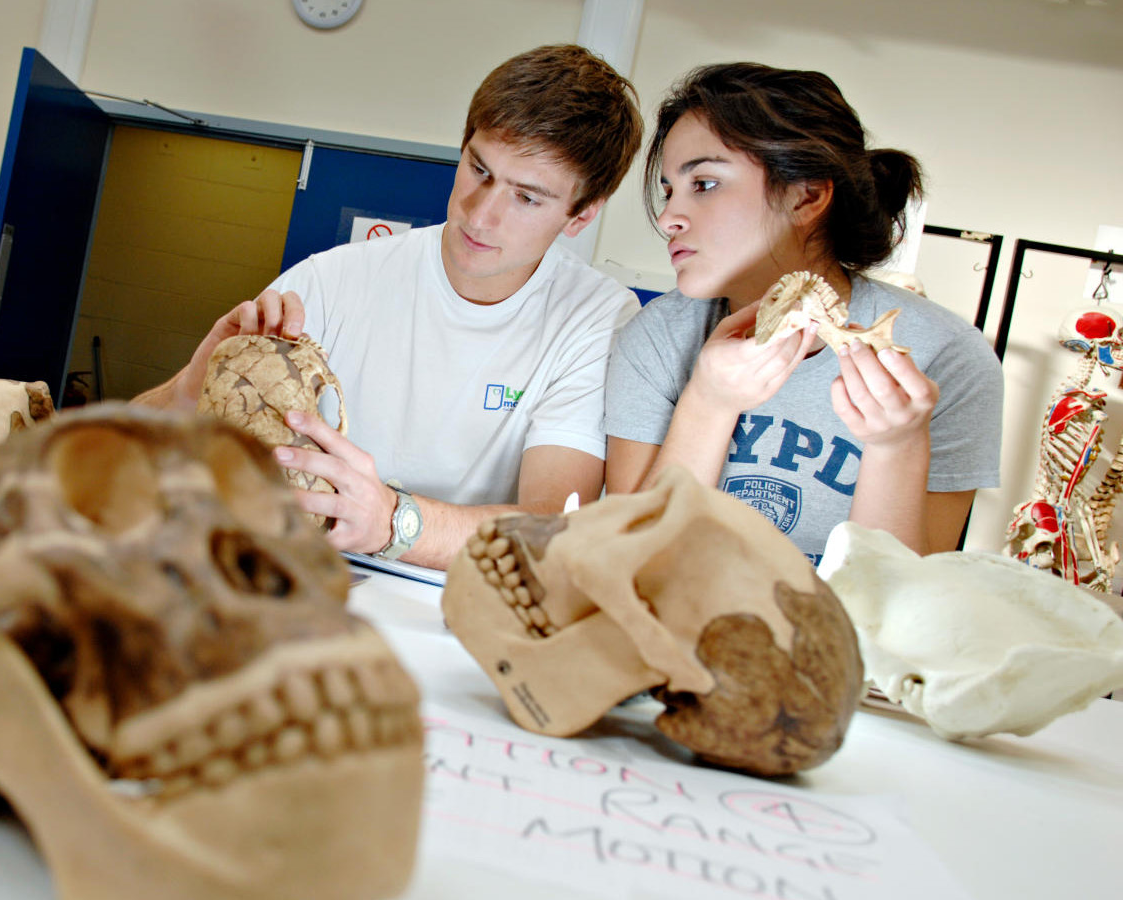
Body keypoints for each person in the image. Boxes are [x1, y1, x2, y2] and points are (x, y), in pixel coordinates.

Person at [135, 44, 644, 570]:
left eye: (527, 197)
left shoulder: (598, 318)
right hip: (298, 582)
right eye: (479, 170)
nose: (481, 214)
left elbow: (550, 527)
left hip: (459, 614)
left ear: (581, 215)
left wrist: (392, 521)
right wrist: (191, 385)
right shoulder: (331, 279)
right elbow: (127, 450)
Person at [603, 63, 1003, 562]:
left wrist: (896, 447)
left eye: (703, 183)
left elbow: (902, 601)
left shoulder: (949, 357)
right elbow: (630, 561)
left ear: (806, 195)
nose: (667, 219)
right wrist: (707, 401)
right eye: (667, 190)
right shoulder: (658, 336)